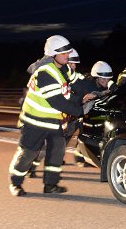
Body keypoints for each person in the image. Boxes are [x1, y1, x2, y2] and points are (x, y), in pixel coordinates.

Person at [8, 35, 88, 196]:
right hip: (34, 122)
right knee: (28, 154)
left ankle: (50, 185)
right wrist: (81, 111)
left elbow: (79, 82)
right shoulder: (45, 72)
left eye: (68, 52)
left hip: (53, 122)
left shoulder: (63, 69)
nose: (67, 55)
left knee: (57, 152)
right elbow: (57, 102)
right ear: (53, 53)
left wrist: (96, 90)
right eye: (64, 53)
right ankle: (15, 183)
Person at [67, 61, 114, 166]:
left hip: (84, 116)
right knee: (63, 138)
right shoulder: (83, 84)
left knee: (86, 134)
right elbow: (67, 93)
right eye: (103, 78)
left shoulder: (104, 87)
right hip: (72, 114)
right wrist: (79, 100)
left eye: (108, 78)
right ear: (96, 77)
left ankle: (80, 158)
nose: (106, 81)